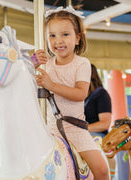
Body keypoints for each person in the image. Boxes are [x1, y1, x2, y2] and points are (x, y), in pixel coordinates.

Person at [31, 6, 109, 180]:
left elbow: (80, 93)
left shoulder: (82, 63)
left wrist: (51, 84)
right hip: (50, 130)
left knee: (102, 170)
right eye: (52, 35)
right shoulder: (46, 65)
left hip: (75, 131)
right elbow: (24, 81)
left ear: (77, 38)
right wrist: (32, 63)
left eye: (65, 34)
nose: (58, 40)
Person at [84, 64, 112, 138]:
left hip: (96, 135)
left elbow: (105, 124)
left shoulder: (101, 94)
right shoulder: (81, 96)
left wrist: (81, 128)